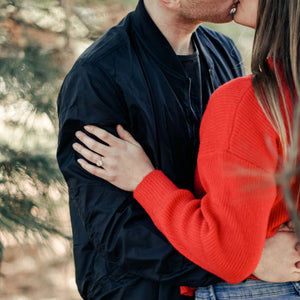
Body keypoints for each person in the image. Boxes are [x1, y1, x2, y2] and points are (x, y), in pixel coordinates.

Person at [72, 0, 300, 299]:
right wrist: (251, 258)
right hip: (142, 290)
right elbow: (113, 228)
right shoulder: (98, 74)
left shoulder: (224, 54)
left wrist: (241, 253)